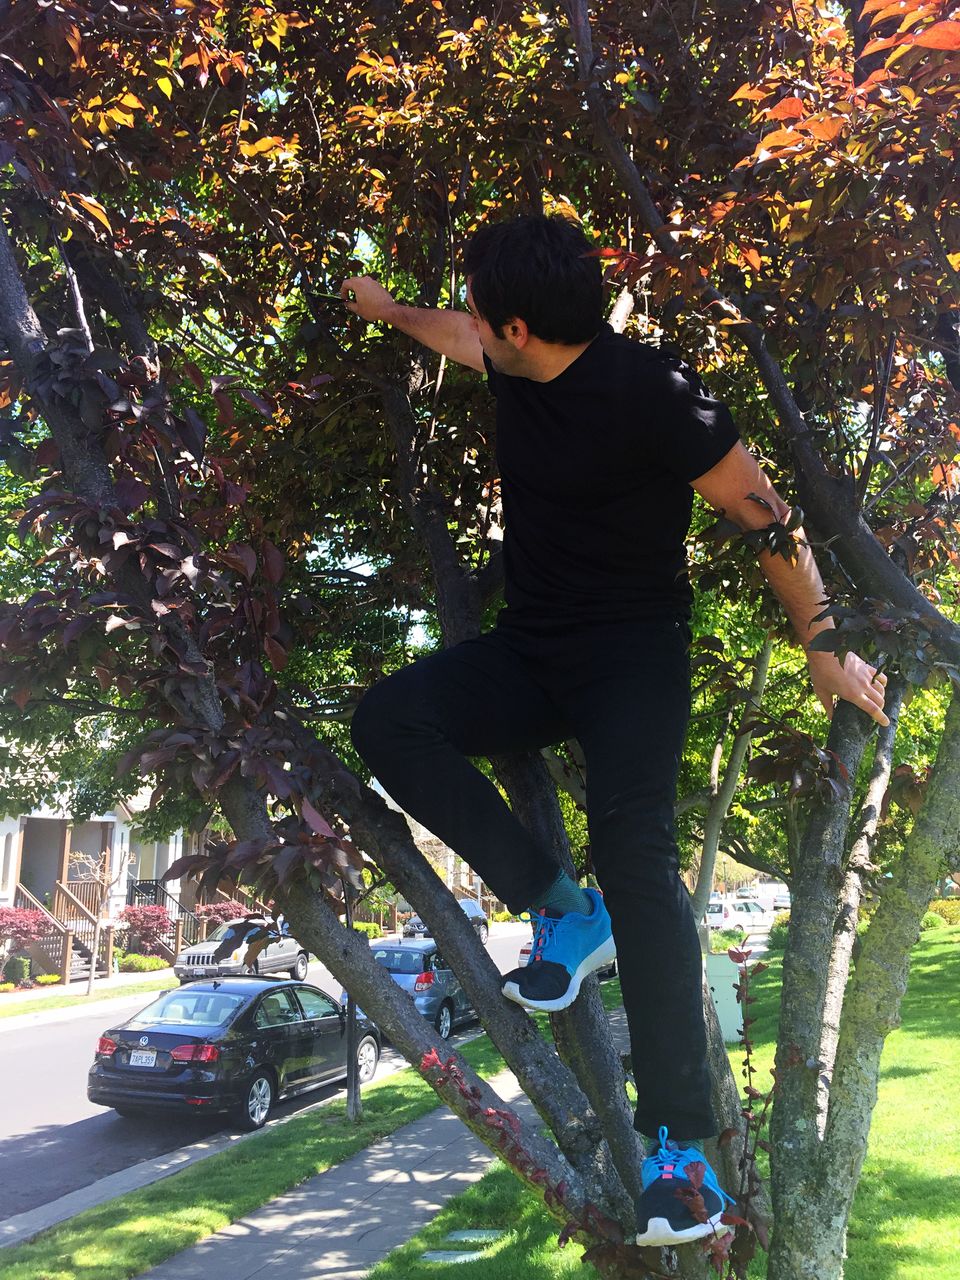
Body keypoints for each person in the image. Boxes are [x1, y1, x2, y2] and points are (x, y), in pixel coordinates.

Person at [343, 215, 888, 1248]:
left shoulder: (652, 391)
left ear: (522, 322)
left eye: (482, 314)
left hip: (636, 656)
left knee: (638, 854)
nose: (473, 328)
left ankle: (678, 1153)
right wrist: (384, 309)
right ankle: (560, 906)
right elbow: (454, 333)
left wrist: (823, 642)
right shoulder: (510, 355)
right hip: (533, 646)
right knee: (390, 719)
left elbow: (763, 509)